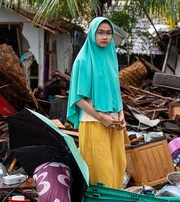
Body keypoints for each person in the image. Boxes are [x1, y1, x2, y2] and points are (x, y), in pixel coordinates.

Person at [67, 17, 126, 189]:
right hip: (93, 121)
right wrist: (101, 117)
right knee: (101, 172)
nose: (105, 37)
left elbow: (115, 90)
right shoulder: (83, 60)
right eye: (100, 33)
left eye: (108, 33)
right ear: (92, 34)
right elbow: (77, 99)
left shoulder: (111, 56)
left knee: (117, 168)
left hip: (114, 122)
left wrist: (121, 115)